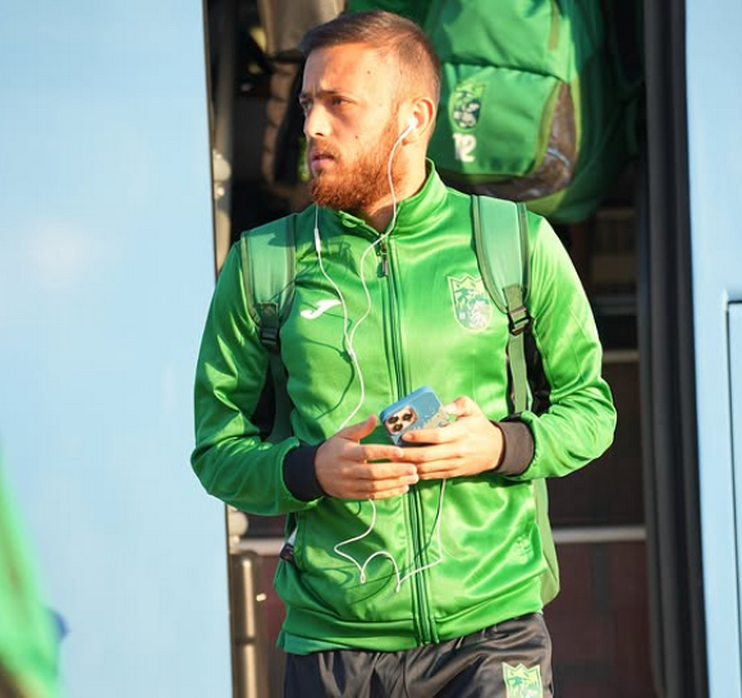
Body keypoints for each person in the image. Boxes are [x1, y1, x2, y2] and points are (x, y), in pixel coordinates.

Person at [192, 10, 616, 697]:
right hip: (334, 645)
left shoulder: (515, 243)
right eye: (307, 103)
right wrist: (309, 469)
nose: (313, 126)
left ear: (413, 118)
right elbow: (217, 452)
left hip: (493, 631)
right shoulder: (262, 264)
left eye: (339, 103)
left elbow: (591, 412)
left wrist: (500, 445)